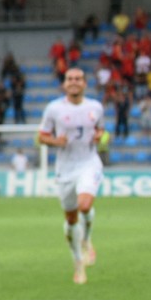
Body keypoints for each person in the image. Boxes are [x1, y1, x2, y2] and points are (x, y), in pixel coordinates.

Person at [38, 67, 105, 285]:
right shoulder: (54, 109)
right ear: (64, 84)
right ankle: (77, 260)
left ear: (85, 83)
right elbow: (41, 136)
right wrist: (56, 142)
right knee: (70, 218)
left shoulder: (95, 107)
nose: (74, 82)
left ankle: (86, 240)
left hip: (88, 162)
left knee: (84, 205)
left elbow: (100, 129)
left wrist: (100, 136)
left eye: (78, 79)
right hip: (65, 169)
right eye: (69, 79)